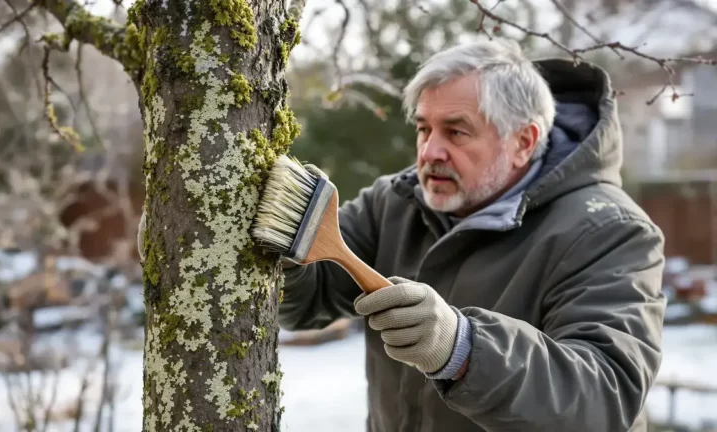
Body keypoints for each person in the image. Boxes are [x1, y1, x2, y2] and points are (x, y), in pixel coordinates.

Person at [279, 37, 667, 431]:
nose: (430, 152)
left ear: (523, 142)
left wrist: (462, 349)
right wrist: (285, 252)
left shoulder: (610, 232)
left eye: (456, 132)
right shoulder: (395, 202)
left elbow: (603, 401)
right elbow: (305, 301)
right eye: (423, 128)